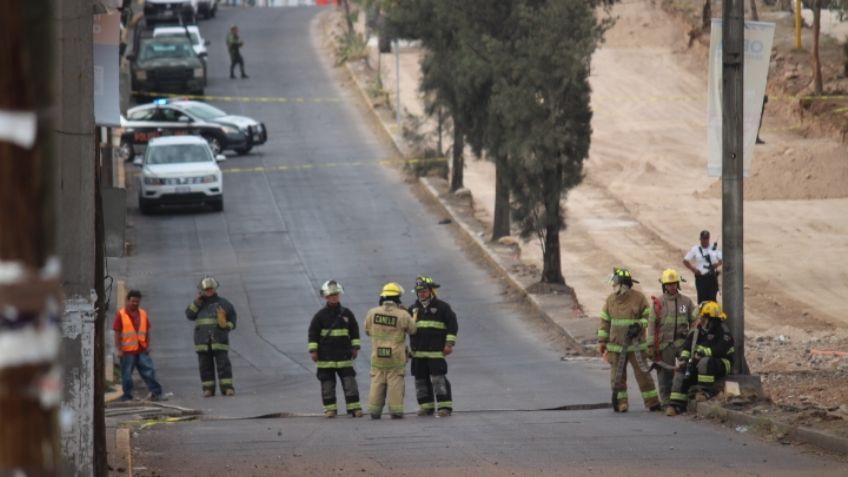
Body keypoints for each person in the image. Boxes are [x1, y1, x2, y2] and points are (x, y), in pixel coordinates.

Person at [597, 267, 661, 413]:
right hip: (615, 346)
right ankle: (621, 403)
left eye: (615, 283)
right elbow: (604, 321)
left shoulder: (639, 298)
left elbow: (648, 318)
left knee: (643, 375)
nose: (613, 286)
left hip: (635, 346)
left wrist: (639, 325)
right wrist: (602, 341)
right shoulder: (610, 300)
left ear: (623, 284)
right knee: (617, 378)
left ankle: (652, 402)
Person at [665, 301, 735, 416]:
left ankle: (704, 392)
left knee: (705, 362)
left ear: (710, 318)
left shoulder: (723, 331)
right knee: (681, 371)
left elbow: (721, 349)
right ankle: (675, 404)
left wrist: (704, 353)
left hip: (721, 363)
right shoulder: (698, 331)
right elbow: (688, 346)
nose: (700, 320)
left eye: (703, 317)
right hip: (700, 363)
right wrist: (684, 358)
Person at [308, 280, 364, 418]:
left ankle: (354, 408)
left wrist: (355, 347)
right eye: (331, 295)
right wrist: (313, 351)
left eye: (336, 294)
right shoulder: (320, 316)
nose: (334, 297)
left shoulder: (347, 314)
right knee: (327, 384)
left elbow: (354, 331)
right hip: (325, 358)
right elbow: (313, 333)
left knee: (350, 383)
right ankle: (330, 409)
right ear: (325, 297)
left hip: (344, 356)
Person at [364, 282, 417, 419]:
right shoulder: (403, 314)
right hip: (395, 356)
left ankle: (375, 411)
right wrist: (413, 316)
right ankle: (396, 411)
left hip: (378, 354)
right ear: (397, 297)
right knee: (395, 382)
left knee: (377, 381)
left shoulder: (372, 313)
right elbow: (413, 330)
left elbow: (367, 331)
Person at [408, 275, 458, 417]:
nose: (421, 294)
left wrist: (449, 344)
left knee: (438, 379)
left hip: (435, 353)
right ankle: (426, 406)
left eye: (424, 291)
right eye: (419, 292)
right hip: (418, 354)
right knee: (420, 380)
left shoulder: (443, 308)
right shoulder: (412, 310)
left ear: (431, 291)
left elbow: (452, 326)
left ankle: (444, 406)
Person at [647, 268, 696, 406]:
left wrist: (692, 335)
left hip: (682, 343)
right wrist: (650, 345)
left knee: (686, 369)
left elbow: (695, 319)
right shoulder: (658, 303)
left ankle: (685, 398)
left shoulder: (686, 302)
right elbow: (651, 324)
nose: (671, 286)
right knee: (664, 373)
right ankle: (667, 401)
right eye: (668, 284)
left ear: (678, 284)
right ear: (664, 286)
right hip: (665, 344)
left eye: (674, 283)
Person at [185, 276, 237, 397]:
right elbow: (189, 315)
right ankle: (208, 389)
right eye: (206, 289)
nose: (209, 291)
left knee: (223, 364)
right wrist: (196, 303)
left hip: (219, 340)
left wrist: (226, 326)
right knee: (205, 366)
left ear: (215, 289)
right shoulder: (198, 304)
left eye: (210, 289)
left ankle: (227, 388)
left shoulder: (224, 303)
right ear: (202, 290)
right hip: (202, 342)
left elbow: (233, 319)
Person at [113, 289, 163, 401]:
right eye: (133, 301)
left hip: (141, 349)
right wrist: (119, 349)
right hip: (127, 351)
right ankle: (127, 396)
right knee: (126, 375)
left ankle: (156, 392)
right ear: (128, 301)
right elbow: (117, 332)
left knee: (149, 371)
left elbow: (147, 330)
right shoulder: (121, 315)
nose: (135, 303)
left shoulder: (143, 313)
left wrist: (147, 345)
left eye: (137, 301)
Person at [683, 230, 722, 304]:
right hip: (701, 278)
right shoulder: (695, 249)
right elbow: (685, 261)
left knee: (712, 299)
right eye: (703, 238)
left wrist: (716, 264)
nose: (705, 240)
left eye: (707, 238)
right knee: (702, 300)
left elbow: (722, 259)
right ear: (700, 239)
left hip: (711, 277)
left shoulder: (714, 249)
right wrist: (693, 269)